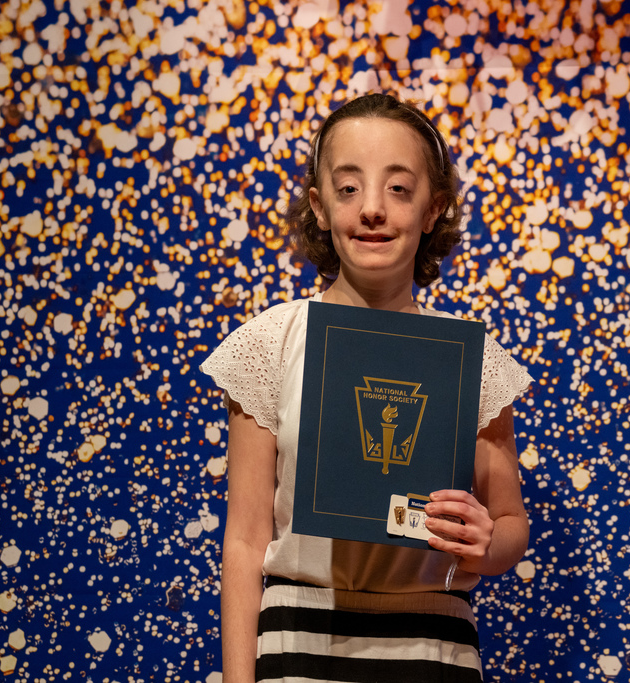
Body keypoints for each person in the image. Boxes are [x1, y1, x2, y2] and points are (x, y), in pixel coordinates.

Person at [201, 93, 533, 683]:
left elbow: (509, 526)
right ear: (319, 207)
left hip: (434, 648)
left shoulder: (468, 357)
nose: (372, 209)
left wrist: (486, 543)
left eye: (399, 188)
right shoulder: (273, 342)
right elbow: (246, 540)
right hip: (296, 643)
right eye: (349, 187)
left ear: (434, 209)